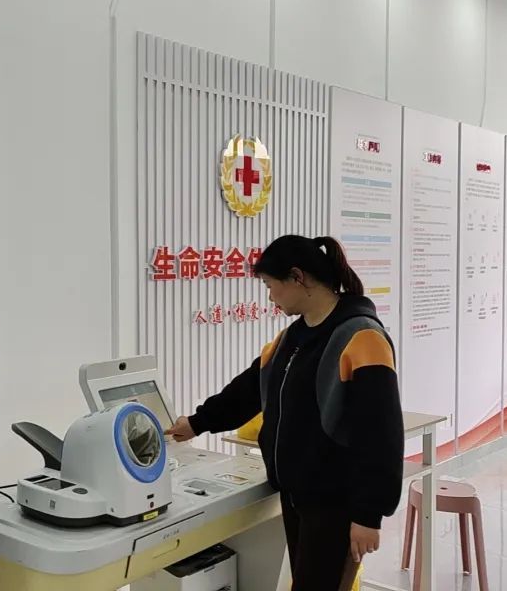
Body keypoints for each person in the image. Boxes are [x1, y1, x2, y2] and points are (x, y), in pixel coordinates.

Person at [166, 235, 404, 591]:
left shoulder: (362, 338)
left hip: (337, 502)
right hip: (298, 496)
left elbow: (382, 434)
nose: (269, 297)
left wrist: (369, 515)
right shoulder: (293, 338)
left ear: (297, 277)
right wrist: (197, 423)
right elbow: (248, 390)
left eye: (269, 285)